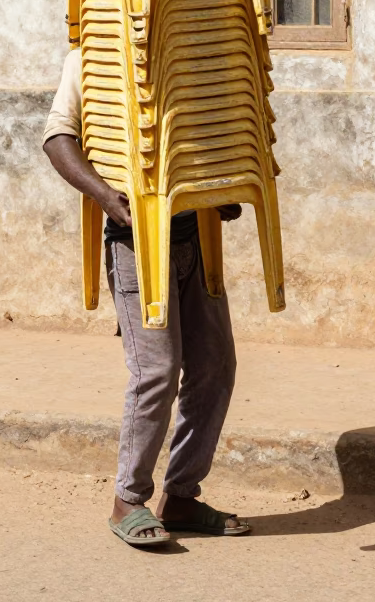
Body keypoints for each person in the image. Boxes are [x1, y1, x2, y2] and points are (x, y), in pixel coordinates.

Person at [43, 48, 251, 547]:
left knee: (214, 368)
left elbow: (209, 141)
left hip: (195, 240)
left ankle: (180, 496)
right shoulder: (88, 57)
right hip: (135, 246)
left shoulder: (196, 48)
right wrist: (103, 194)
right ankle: (127, 501)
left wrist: (221, 191)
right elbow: (57, 139)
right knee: (157, 370)